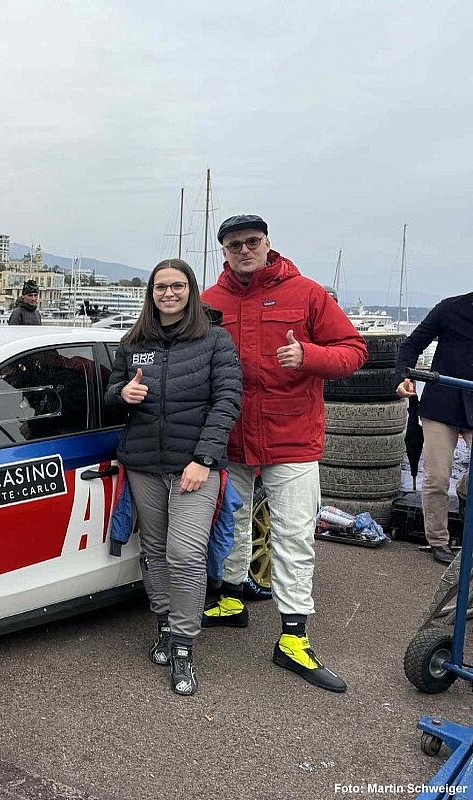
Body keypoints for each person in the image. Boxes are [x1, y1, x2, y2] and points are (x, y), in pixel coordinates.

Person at [200, 214, 366, 693]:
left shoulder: (307, 293)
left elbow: (354, 350)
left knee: (293, 535)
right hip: (232, 436)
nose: (244, 250)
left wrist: (309, 355)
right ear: (224, 251)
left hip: (290, 436)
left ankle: (293, 636)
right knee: (230, 522)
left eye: (252, 241)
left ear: (267, 243)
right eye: (234, 244)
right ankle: (231, 599)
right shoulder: (211, 301)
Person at [105, 258, 242, 696]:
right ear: (151, 293)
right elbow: (110, 394)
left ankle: (183, 643)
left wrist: (203, 459)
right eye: (161, 287)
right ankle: (164, 624)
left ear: (191, 290)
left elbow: (227, 401)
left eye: (177, 286)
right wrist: (122, 393)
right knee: (155, 552)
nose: (169, 293)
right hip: (144, 465)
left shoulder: (215, 340)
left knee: (185, 554)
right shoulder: (133, 342)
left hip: (194, 469)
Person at [394, 292, 473, 564]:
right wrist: (404, 377)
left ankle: (465, 489)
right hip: (442, 403)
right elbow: (412, 345)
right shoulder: (449, 309)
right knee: (437, 477)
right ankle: (438, 540)